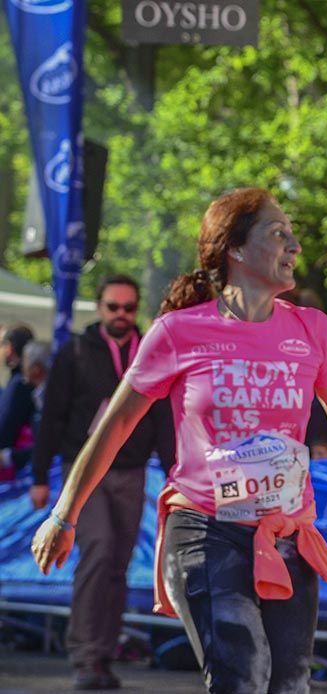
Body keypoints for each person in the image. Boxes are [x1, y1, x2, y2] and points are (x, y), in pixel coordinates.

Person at [30, 188, 327, 694]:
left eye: (292, 233)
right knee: (242, 670)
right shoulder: (179, 332)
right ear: (237, 249)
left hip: (284, 532)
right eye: (278, 233)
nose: (294, 246)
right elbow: (113, 426)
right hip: (204, 529)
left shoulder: (312, 329)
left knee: (288, 683)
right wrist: (63, 515)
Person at [28, 275, 175, 690]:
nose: (121, 316)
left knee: (118, 564)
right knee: (99, 552)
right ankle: (86, 656)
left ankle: (104, 655)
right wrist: (40, 477)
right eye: (114, 307)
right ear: (99, 308)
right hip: (86, 470)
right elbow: (51, 418)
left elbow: (163, 416)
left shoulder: (150, 348)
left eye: (129, 308)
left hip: (132, 471)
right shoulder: (75, 351)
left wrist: (172, 470)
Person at [0, 340, 48, 478]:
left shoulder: (20, 386)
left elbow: (50, 446)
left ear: (36, 368)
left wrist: (8, 457)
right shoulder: (38, 394)